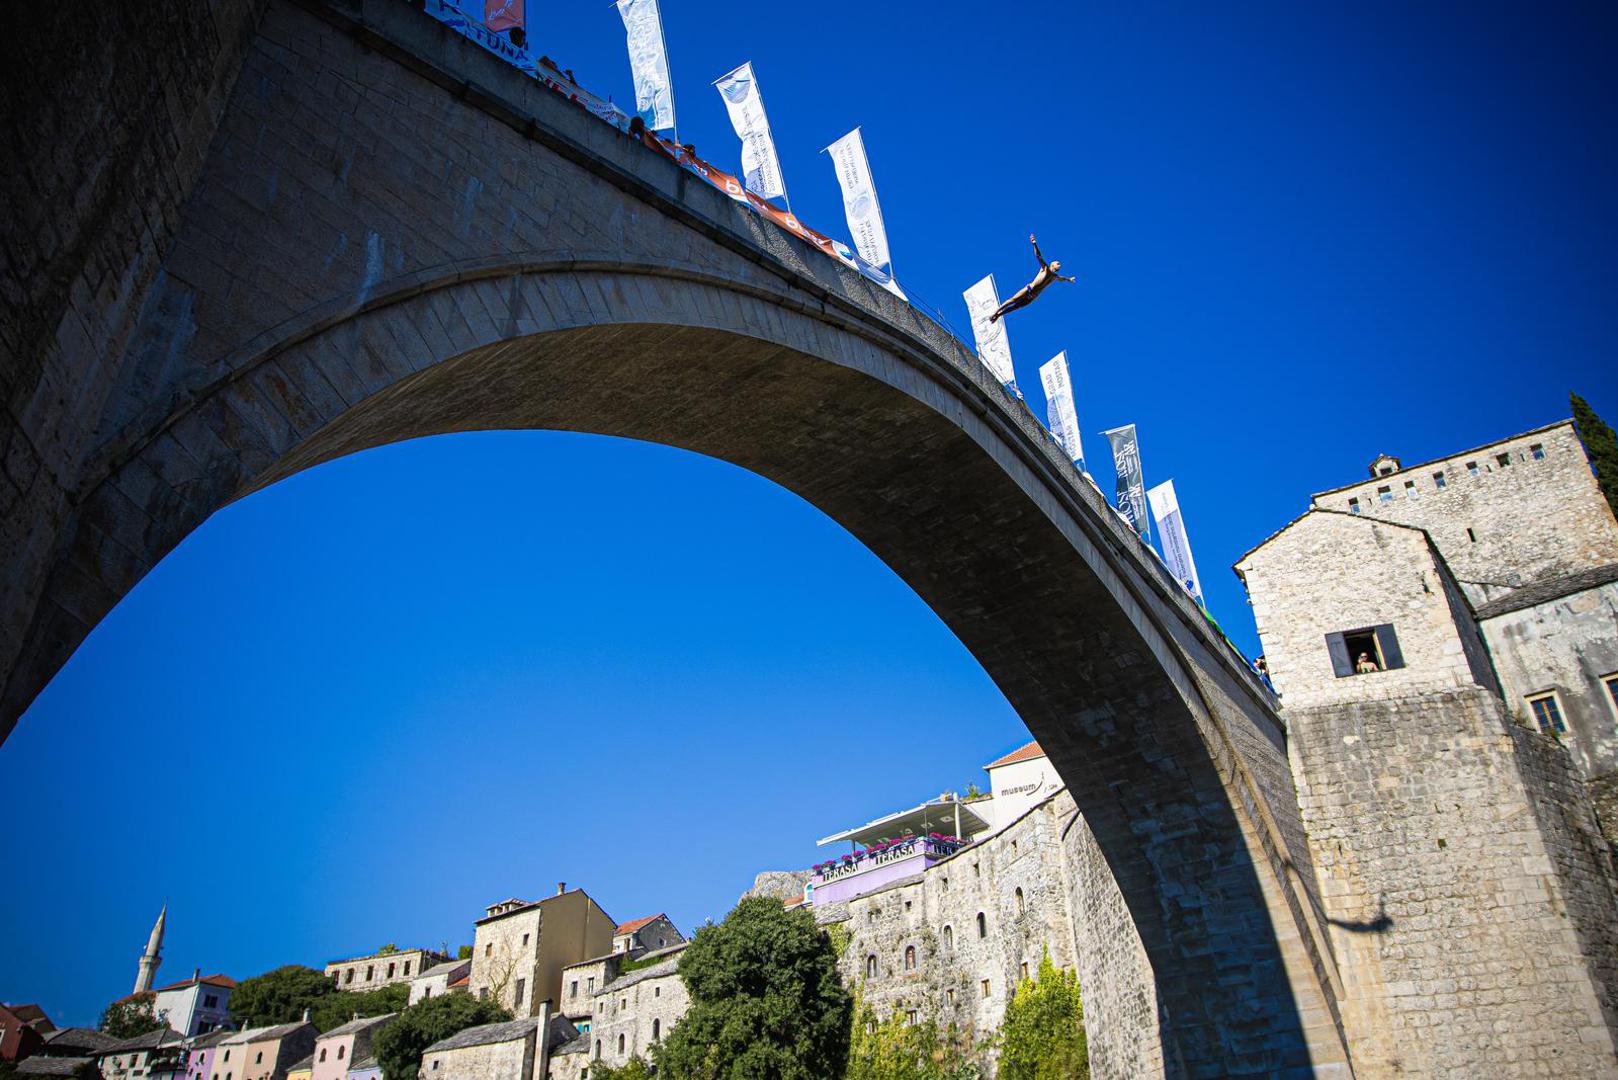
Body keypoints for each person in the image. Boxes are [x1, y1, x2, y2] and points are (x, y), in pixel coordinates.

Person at [989, 234, 1076, 322]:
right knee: (1012, 300)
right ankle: (995, 312)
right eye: (1058, 263)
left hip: (1033, 296)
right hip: (1029, 289)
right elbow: (1038, 256)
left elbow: (1062, 279)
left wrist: (1069, 279)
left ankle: (998, 315)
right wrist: (1034, 243)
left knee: (1016, 306)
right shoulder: (1045, 268)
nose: (1059, 265)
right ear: (1052, 264)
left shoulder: (1054, 276)